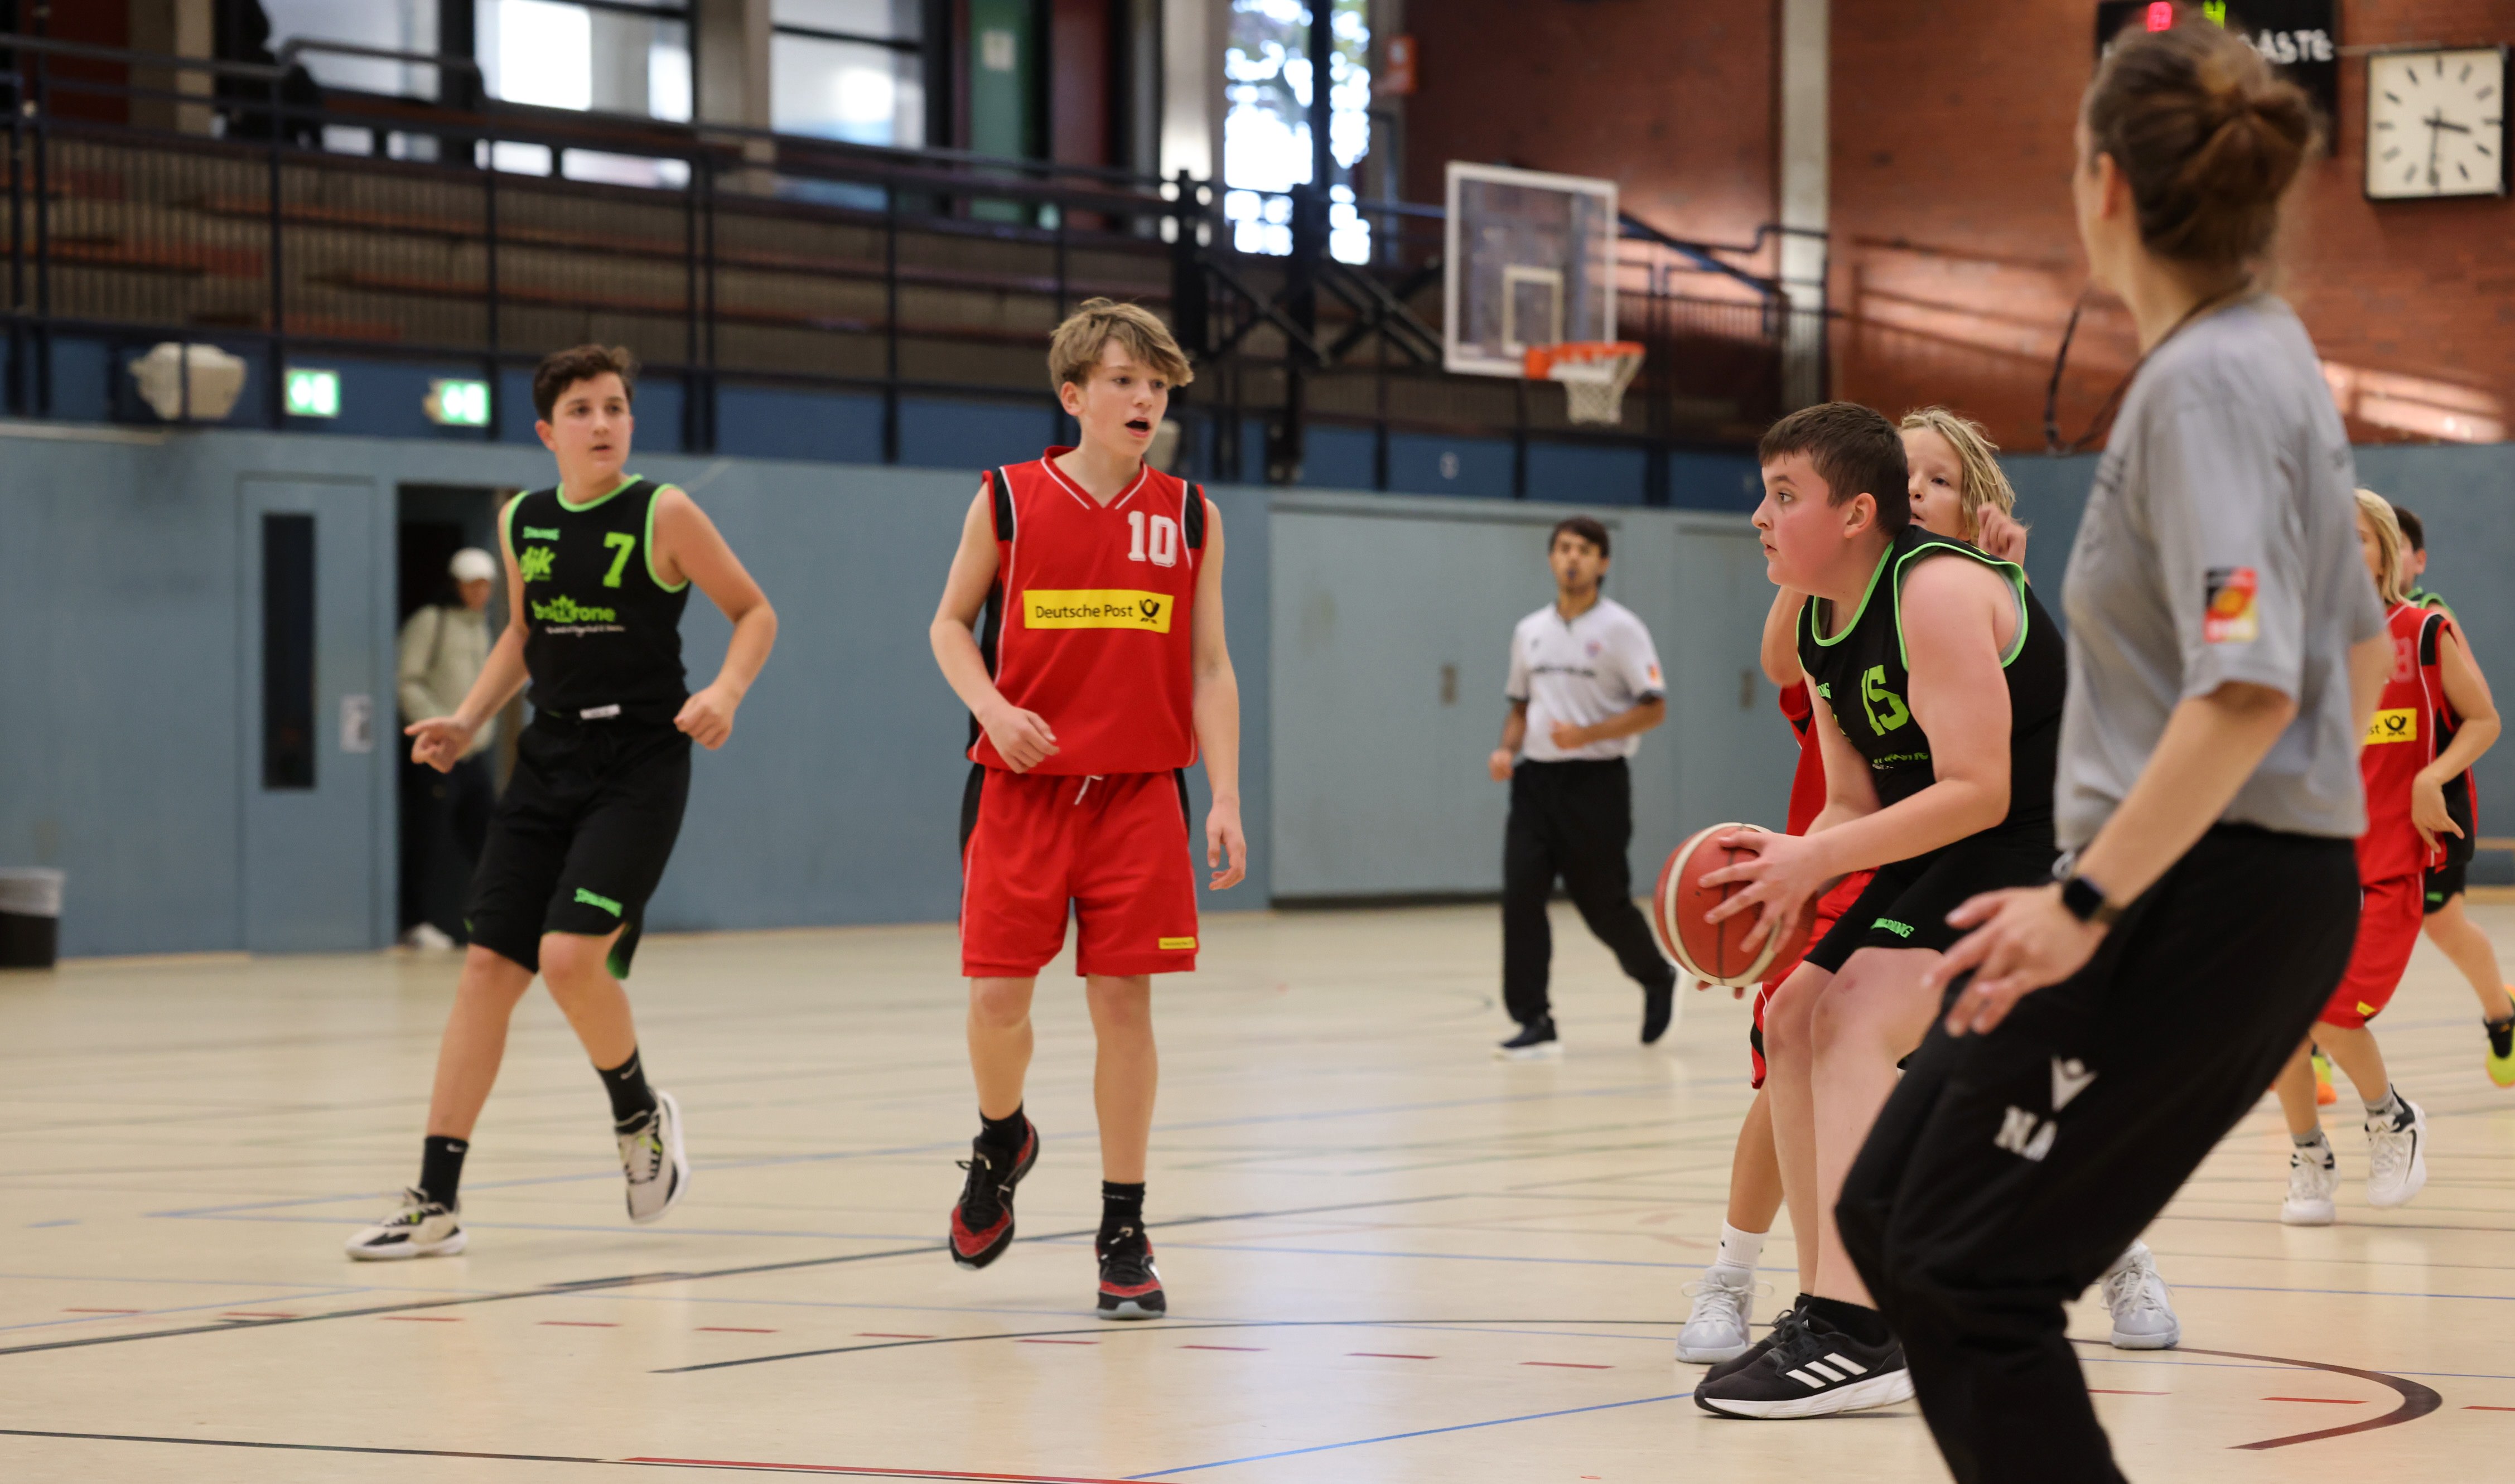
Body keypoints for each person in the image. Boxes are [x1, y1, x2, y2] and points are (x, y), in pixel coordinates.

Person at [1835, 23, 2391, 1481]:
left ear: (2101, 186)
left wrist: (2086, 899)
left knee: (1963, 1271)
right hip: (2224, 879)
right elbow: (2357, 648)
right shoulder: (2269, 354)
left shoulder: (2206, 386)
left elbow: (2246, 684)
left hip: (2192, 893)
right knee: (1888, 1211)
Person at [1677, 408, 2178, 1370]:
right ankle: (1823, 1310)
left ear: (1855, 513)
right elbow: (1852, 802)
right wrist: (1769, 889)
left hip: (2051, 845)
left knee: (1861, 1020)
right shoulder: (1824, 622)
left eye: (1781, 495)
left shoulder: (1939, 591)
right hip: (1950, 844)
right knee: (1793, 1015)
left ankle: (1866, 1325)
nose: (1758, 516)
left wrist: (1807, 863)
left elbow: (1981, 790)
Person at [347, 345, 778, 1260]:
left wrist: (727, 691)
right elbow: (523, 631)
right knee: (485, 970)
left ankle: (638, 1116)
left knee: (569, 957)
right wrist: (467, 718)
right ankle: (436, 1201)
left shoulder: (665, 511)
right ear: (548, 432)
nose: (602, 423)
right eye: (581, 410)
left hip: (640, 763)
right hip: (548, 758)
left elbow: (754, 612)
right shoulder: (522, 519)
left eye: (615, 406)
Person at [928, 298, 1246, 1319]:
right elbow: (948, 626)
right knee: (997, 1002)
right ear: (1073, 395)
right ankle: (1001, 1137)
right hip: (1020, 791)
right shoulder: (1008, 499)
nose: (1144, 399)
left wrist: (1225, 795)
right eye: (1123, 381)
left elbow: (1209, 667)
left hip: (1138, 795)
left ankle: (1123, 1228)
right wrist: (992, 706)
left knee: (1124, 1007)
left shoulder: (1190, 514)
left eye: (1156, 384)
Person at [2270, 493, 2492, 1220]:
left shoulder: (2422, 631)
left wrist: (2432, 776)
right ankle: (2309, 1155)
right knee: (2276, 1026)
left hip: (2390, 865)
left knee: (2332, 1013)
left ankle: (2392, 1118)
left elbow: (2484, 719)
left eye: (2357, 538)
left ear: (2385, 553)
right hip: (2309, 865)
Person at [1486, 517, 1676, 1058]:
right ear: (1551, 558)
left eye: (1585, 549)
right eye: (1564, 548)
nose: (1573, 557)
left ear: (1602, 563)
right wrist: (1506, 750)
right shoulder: (1529, 631)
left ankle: (1656, 974)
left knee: (1602, 904)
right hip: (1535, 784)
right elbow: (1520, 707)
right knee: (1521, 897)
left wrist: (1587, 734)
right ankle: (1534, 1019)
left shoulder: (1622, 629)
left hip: (1596, 784)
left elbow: (1654, 709)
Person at [2391, 505, 2515, 1085]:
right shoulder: (2345, 622)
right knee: (2341, 921)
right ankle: (2317, 1045)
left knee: (2442, 924)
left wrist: (2433, 775)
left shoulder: (2431, 618)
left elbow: (2481, 712)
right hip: (2369, 802)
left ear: (2417, 560)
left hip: (2431, 803)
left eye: (2393, 544)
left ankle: (2502, 1016)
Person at [397, 547, 500, 949]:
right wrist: (441, 726)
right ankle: (415, 921)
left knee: (489, 835)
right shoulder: (431, 621)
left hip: (473, 754)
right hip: (437, 750)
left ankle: (497, 914)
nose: (480, 593)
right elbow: (407, 680)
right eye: (472, 585)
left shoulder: (483, 627)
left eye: (486, 585)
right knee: (428, 836)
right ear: (456, 585)